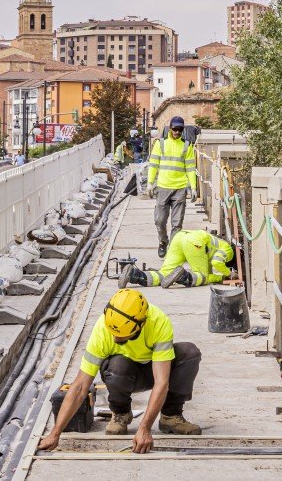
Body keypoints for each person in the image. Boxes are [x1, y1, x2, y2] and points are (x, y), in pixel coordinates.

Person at [37, 290, 202, 454]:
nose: (116, 339)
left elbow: (161, 382)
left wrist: (145, 428)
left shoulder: (158, 322)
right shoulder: (102, 329)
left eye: (123, 337)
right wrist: (55, 432)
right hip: (123, 374)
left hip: (153, 370)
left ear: (142, 323)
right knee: (117, 365)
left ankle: (170, 416)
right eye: (114, 334)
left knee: (189, 353)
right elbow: (80, 386)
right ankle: (121, 413)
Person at [147, 116, 198, 256]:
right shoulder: (161, 144)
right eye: (175, 129)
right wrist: (150, 183)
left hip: (180, 188)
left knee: (177, 223)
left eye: (180, 129)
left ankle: (173, 250)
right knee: (159, 220)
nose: (177, 132)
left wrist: (193, 187)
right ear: (170, 128)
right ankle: (163, 241)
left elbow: (190, 168)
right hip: (163, 187)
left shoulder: (187, 146)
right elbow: (153, 164)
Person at [120, 229, 236, 288]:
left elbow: (210, 266)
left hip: (179, 236)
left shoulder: (214, 244)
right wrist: (226, 274)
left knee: (164, 273)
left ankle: (135, 275)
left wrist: (217, 276)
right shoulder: (228, 250)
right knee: (202, 277)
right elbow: (217, 262)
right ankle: (182, 276)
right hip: (193, 241)